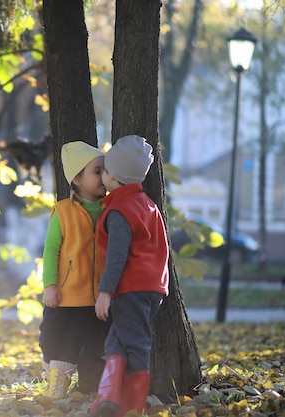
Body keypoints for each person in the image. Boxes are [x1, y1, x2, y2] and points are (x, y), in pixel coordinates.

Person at [87, 135, 169, 417]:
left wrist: (105, 292)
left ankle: (132, 406)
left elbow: (118, 255)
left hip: (129, 288)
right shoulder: (147, 205)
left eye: (105, 171)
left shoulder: (120, 210)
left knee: (135, 343)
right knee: (117, 341)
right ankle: (108, 401)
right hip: (152, 289)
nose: (102, 176)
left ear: (116, 178)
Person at [39, 141, 109, 398]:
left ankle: (58, 384)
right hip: (64, 291)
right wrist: (50, 285)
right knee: (48, 338)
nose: (104, 177)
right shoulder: (63, 211)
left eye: (105, 170)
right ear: (77, 178)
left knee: (73, 342)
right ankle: (52, 368)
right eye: (97, 171)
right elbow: (51, 249)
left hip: (91, 297)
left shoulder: (110, 210)